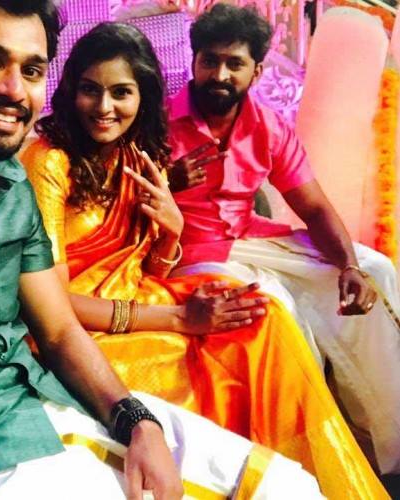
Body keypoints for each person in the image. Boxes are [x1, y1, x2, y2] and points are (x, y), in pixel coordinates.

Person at [0, 1, 348, 499]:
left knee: (288, 484)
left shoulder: (12, 185)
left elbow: (59, 330)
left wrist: (136, 419)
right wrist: (177, 319)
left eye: (31, 70)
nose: (13, 89)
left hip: (44, 395)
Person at [22, 21, 387, 499]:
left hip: (142, 293)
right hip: (75, 329)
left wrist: (170, 228)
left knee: (261, 318)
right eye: (91, 90)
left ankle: (309, 480)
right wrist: (180, 317)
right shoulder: (50, 162)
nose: (105, 107)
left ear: (142, 97)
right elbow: (51, 307)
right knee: (218, 353)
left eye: (121, 92)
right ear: (71, 90)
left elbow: (148, 268)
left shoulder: (132, 153)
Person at [165, 2, 400, 475]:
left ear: (255, 70)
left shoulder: (268, 125)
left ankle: (388, 441)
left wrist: (349, 266)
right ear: (194, 61)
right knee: (275, 307)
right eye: (210, 60)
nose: (220, 75)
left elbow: (314, 207)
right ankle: (309, 458)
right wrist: (166, 183)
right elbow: (117, 202)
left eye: (234, 64)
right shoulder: (156, 120)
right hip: (187, 252)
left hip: (253, 239)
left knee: (376, 270)